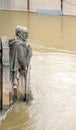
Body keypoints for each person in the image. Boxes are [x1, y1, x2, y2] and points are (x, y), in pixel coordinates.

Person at [9, 26, 32, 101]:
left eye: (27, 33)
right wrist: (29, 52)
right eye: (25, 33)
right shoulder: (19, 45)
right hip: (18, 74)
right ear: (19, 34)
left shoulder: (14, 42)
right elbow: (23, 62)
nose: (27, 35)